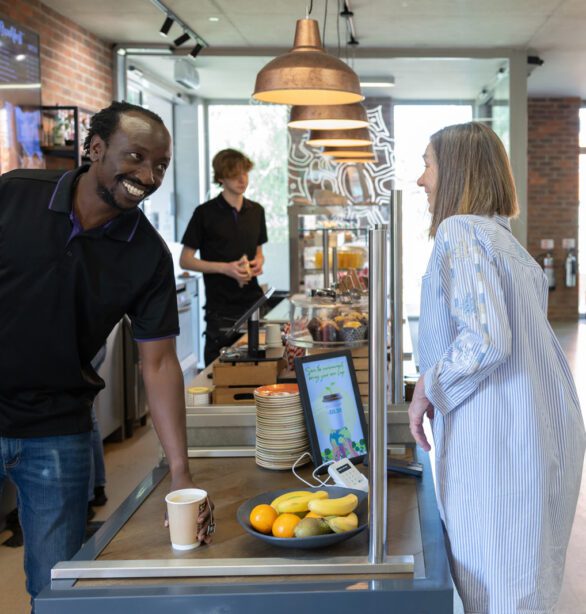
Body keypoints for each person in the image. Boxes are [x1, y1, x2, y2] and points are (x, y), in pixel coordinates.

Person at [0, 101, 213, 607]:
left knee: (57, 589)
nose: (148, 175)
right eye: (135, 157)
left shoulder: (147, 256)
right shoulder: (13, 195)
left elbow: (158, 363)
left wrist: (179, 472)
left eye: (160, 165)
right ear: (94, 148)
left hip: (56, 429)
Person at [408, 121, 586, 614]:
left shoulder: (459, 230)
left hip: (500, 443)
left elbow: (486, 341)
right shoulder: (507, 243)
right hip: (538, 434)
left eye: (427, 164)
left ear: (458, 170)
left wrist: (426, 385)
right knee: (524, 591)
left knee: (495, 594)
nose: (421, 179)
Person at [180, 148, 268, 365]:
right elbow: (186, 260)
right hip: (220, 308)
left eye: (245, 173)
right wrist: (226, 268)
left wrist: (258, 263)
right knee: (218, 369)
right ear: (220, 177)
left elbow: (258, 252)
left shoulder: (256, 211)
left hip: (252, 304)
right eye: (234, 174)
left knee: (256, 368)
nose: (242, 179)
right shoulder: (204, 213)